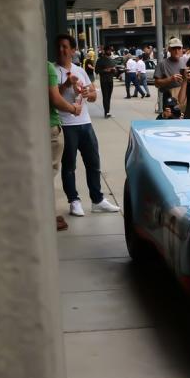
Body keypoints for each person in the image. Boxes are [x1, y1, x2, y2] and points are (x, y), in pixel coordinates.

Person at [53, 34, 120, 217]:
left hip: (85, 122)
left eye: (65, 46)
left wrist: (86, 92)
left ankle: (97, 199)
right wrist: (67, 84)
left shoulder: (80, 70)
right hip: (66, 124)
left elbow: (93, 95)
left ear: (73, 50)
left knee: (93, 162)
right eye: (59, 46)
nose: (61, 50)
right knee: (69, 165)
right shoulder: (53, 70)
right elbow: (53, 96)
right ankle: (74, 201)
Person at [48, 60, 82, 231]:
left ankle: (48, 215)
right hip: (50, 126)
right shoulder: (47, 68)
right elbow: (55, 98)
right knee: (48, 175)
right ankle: (47, 217)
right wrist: (73, 109)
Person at [153, 38, 189, 112]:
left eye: (179, 48)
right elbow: (156, 83)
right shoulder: (162, 64)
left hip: (184, 96)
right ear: (169, 49)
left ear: (182, 49)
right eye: (174, 48)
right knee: (170, 121)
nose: (177, 51)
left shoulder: (185, 62)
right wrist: (170, 79)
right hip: (169, 97)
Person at [94, 45, 117, 119]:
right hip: (104, 80)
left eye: (111, 50)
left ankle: (108, 112)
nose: (110, 52)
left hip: (110, 80)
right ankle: (106, 112)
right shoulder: (100, 60)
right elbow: (96, 71)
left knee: (109, 97)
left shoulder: (111, 59)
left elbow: (114, 72)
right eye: (109, 50)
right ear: (105, 51)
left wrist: (114, 70)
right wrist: (105, 70)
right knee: (105, 96)